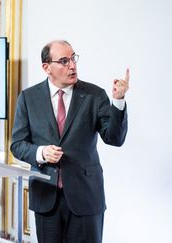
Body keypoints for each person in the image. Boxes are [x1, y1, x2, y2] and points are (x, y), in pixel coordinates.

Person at [10, 40, 129, 243]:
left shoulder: (94, 95)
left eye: (73, 58)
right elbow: (18, 144)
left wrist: (118, 101)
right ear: (47, 67)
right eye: (64, 61)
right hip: (46, 198)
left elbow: (114, 138)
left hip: (86, 197)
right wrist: (41, 153)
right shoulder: (28, 98)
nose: (72, 65)